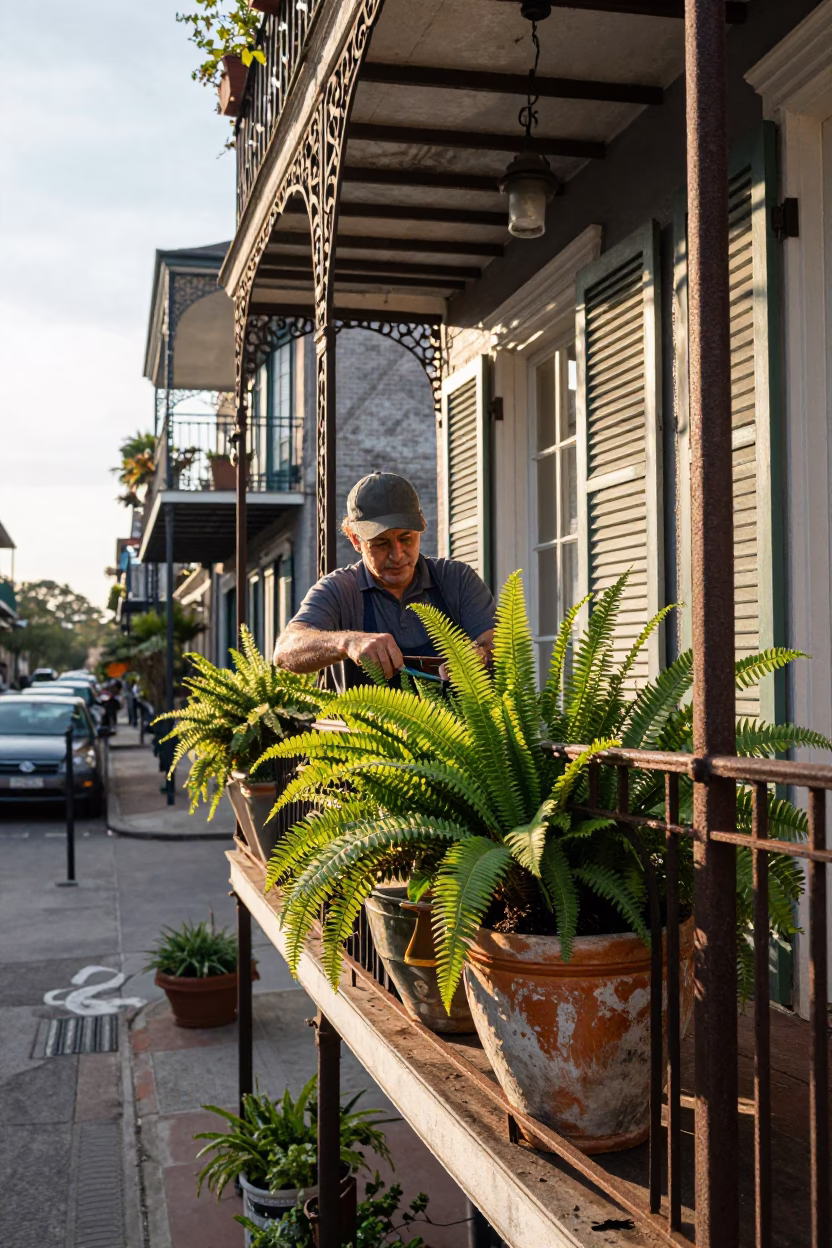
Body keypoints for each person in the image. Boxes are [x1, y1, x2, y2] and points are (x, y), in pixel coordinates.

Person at [274, 472, 496, 686]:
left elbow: (496, 645)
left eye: (406, 538)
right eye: (380, 543)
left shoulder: (457, 580)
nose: (397, 555)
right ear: (354, 539)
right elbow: (285, 651)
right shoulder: (338, 590)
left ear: (421, 527)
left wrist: (480, 655)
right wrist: (348, 642)